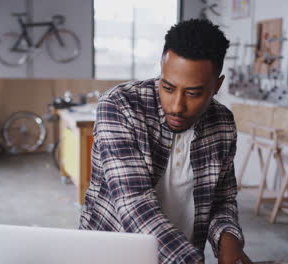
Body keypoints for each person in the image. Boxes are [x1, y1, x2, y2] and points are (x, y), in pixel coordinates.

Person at [80, 19, 252, 264]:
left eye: (193, 93)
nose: (177, 106)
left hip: (183, 255)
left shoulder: (222, 123)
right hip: (110, 256)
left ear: (217, 85)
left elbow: (222, 200)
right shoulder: (119, 106)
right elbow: (134, 204)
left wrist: (228, 239)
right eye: (168, 87)